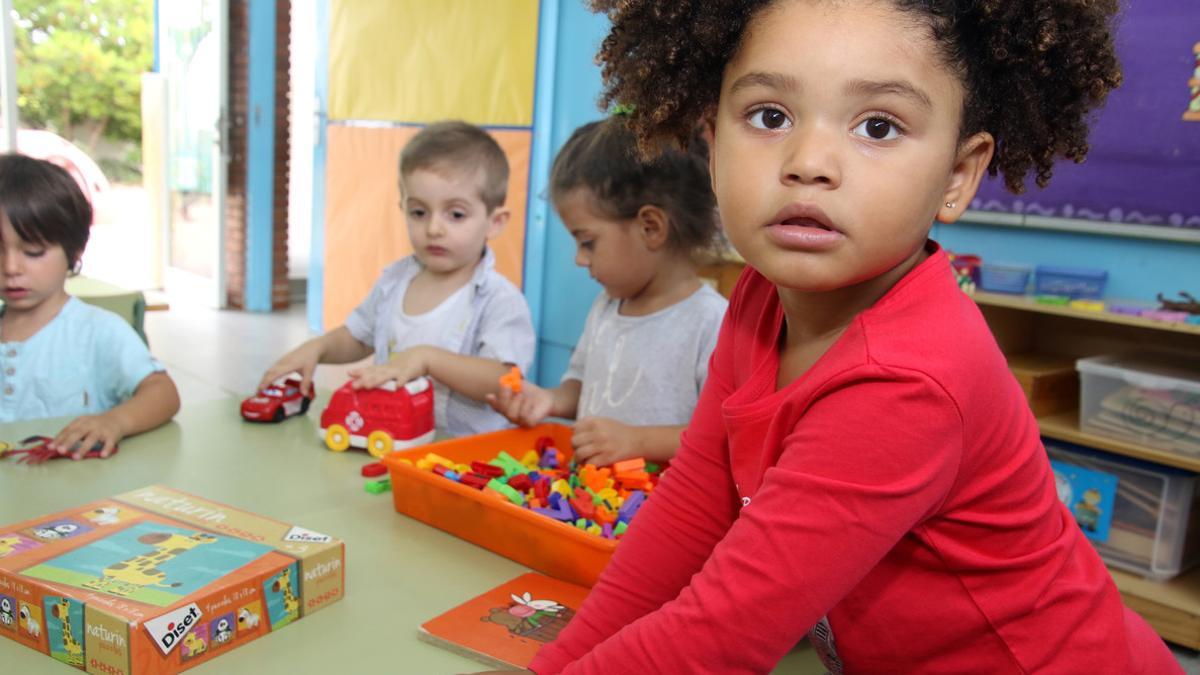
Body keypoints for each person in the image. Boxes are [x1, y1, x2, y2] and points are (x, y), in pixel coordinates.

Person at [518, 1, 1181, 673]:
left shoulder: (906, 378)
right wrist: (560, 660)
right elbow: (695, 505)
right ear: (713, 148)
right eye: (769, 116)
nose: (810, 162)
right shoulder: (757, 298)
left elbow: (717, 635)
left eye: (878, 125)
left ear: (957, 175)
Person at [260, 121, 534, 436]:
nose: (433, 228)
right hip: (391, 440)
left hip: (462, 461)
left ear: (495, 223)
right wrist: (318, 348)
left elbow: (503, 379)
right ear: (402, 208)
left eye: (455, 214)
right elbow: (358, 336)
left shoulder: (500, 301)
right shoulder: (395, 280)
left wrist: (427, 358)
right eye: (419, 212)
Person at [488, 117, 727, 465]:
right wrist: (548, 401)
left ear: (650, 227)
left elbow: (722, 437)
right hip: (594, 505)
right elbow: (582, 386)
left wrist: (638, 441)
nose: (580, 260)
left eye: (587, 242)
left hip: (662, 510)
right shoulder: (606, 306)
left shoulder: (712, 322)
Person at [0, 153, 179, 457]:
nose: (11, 267)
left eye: (33, 251)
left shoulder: (98, 331)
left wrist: (115, 421)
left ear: (73, 250)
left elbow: (164, 394)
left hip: (72, 494)